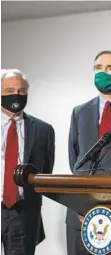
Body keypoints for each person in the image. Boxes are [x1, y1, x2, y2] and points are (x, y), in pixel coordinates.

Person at [65, 51, 111, 255]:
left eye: (110, 69)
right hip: (81, 215)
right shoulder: (79, 112)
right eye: (98, 68)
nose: (103, 73)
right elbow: (75, 160)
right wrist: (82, 205)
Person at [1, 69, 55, 255]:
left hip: (23, 212)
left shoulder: (43, 130)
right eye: (9, 91)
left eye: (21, 91)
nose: (16, 95)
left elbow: (45, 173)